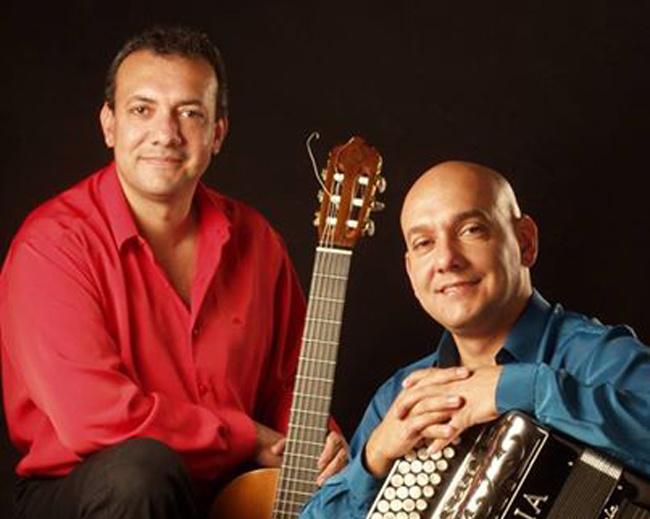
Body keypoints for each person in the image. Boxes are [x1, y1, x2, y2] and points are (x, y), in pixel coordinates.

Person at [0, 25, 347, 519]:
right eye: (142, 110)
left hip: (232, 489)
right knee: (140, 472)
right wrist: (244, 437)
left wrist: (314, 443)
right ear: (109, 125)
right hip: (95, 492)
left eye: (189, 113)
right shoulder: (53, 245)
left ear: (216, 134)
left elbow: (289, 380)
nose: (166, 133)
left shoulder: (257, 240)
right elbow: (94, 419)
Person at [299, 160, 650, 518]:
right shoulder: (399, 396)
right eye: (424, 243)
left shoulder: (597, 357)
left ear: (525, 242)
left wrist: (522, 389)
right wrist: (372, 460)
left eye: (471, 230)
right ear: (411, 272)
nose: (446, 259)